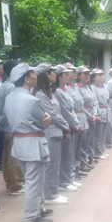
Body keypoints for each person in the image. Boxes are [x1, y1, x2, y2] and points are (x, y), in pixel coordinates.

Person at [4, 63, 53, 222]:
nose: (35, 77)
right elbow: (44, 122)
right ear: (26, 79)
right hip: (33, 143)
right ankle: (31, 217)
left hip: (19, 142)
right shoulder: (32, 100)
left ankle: (38, 209)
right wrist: (48, 118)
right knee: (33, 181)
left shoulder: (10, 97)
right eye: (33, 74)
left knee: (31, 180)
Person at [33, 63, 71, 205]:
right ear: (46, 75)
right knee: (51, 165)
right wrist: (66, 126)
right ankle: (50, 195)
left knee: (55, 163)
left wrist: (64, 127)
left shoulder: (49, 91)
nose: (55, 75)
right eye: (53, 72)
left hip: (56, 131)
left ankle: (53, 192)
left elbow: (57, 112)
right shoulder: (40, 94)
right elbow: (53, 114)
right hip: (50, 132)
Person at [0, 60, 25, 195]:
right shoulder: (11, 87)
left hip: (6, 125)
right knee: (14, 156)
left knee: (7, 155)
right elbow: (11, 108)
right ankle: (15, 185)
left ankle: (10, 183)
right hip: (11, 125)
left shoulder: (5, 85)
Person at [54, 65, 82, 191]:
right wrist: (74, 125)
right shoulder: (58, 92)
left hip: (71, 124)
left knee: (70, 154)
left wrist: (76, 124)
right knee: (65, 155)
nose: (68, 76)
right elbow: (65, 111)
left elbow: (72, 109)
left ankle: (69, 178)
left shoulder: (64, 89)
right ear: (59, 77)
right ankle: (64, 181)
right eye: (65, 74)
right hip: (65, 126)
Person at [64, 64, 91, 179]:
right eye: (72, 71)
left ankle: (78, 168)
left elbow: (81, 104)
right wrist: (75, 123)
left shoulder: (74, 87)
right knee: (73, 148)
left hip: (81, 118)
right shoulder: (64, 88)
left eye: (75, 71)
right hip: (74, 119)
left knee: (80, 145)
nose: (75, 74)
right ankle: (73, 171)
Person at [77, 66, 99, 166]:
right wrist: (90, 115)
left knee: (91, 139)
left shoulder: (88, 87)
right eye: (84, 74)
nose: (87, 76)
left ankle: (90, 157)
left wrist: (95, 114)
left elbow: (94, 102)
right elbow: (80, 105)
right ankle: (83, 161)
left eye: (88, 74)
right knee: (84, 141)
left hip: (91, 116)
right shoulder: (77, 88)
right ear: (79, 76)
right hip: (84, 116)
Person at [91, 68, 110, 159]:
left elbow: (107, 100)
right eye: (99, 75)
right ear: (94, 78)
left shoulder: (105, 86)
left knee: (104, 133)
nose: (102, 77)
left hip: (106, 111)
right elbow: (95, 102)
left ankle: (102, 150)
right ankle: (98, 152)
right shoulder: (92, 88)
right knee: (98, 133)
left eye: (102, 75)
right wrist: (97, 114)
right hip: (99, 111)